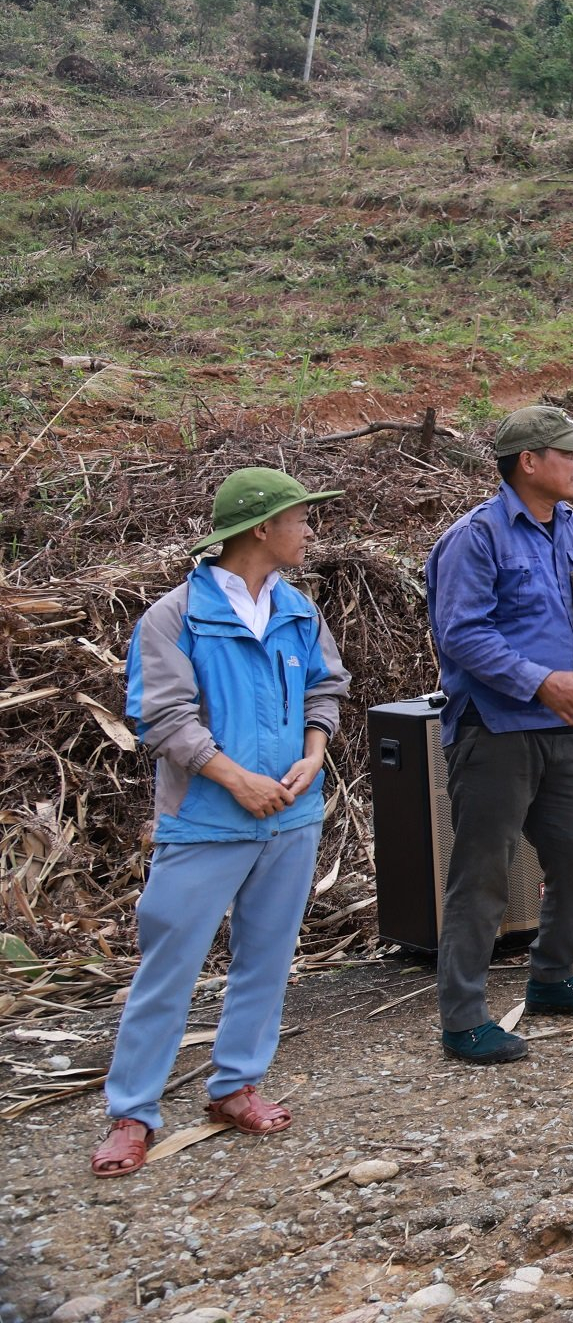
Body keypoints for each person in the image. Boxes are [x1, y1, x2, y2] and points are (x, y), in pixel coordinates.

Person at [97, 469, 349, 1177]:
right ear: (261, 529)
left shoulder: (299, 609)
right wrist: (235, 779)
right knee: (168, 967)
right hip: (207, 821)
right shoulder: (174, 617)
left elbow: (326, 687)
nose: (308, 531)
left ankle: (235, 1084)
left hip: (291, 818)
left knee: (266, 961)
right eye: (300, 518)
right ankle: (132, 1112)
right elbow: (162, 716)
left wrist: (312, 755)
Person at [425, 404, 573, 1065]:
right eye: (567, 453)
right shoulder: (476, 537)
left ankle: (552, 978)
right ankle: (463, 1017)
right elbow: (462, 633)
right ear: (528, 462)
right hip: (497, 728)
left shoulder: (571, 528)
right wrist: (540, 681)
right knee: (482, 874)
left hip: (561, 725)